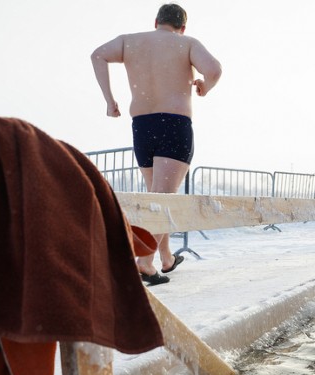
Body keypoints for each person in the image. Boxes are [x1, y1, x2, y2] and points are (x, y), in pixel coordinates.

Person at [91, 3, 223, 285]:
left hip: (142, 125)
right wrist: (204, 86)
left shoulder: (130, 42)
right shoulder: (186, 43)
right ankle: (145, 261)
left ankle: (166, 258)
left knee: (157, 196)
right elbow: (214, 69)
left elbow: (98, 55)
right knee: (164, 200)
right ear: (182, 27)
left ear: (156, 21)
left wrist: (109, 100)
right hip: (174, 123)